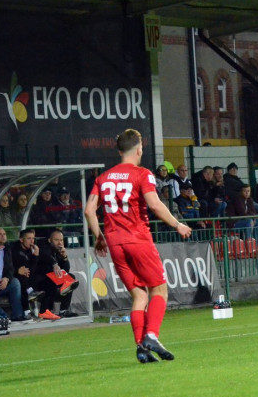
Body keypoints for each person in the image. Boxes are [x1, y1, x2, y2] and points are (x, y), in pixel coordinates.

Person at [84, 129, 192, 364]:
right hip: (137, 239)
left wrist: (99, 236)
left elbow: (89, 210)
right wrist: (177, 224)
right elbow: (154, 205)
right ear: (139, 149)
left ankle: (141, 348)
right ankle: (152, 335)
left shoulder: (103, 178)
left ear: (119, 150)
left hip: (114, 243)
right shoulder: (142, 174)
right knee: (159, 290)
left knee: (139, 295)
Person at [11, 228, 53, 320]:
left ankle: (44, 311)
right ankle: (27, 311)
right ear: (21, 240)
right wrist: (35, 257)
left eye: (33, 238)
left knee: (50, 281)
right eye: (29, 238)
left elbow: (46, 258)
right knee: (22, 278)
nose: (32, 241)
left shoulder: (33, 248)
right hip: (17, 278)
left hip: (31, 278)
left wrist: (55, 264)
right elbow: (29, 270)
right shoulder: (15, 251)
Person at [36, 229, 79, 318]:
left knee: (70, 278)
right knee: (51, 282)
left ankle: (64, 310)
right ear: (49, 240)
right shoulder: (43, 247)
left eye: (61, 240)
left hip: (53, 279)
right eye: (56, 240)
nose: (59, 243)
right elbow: (45, 255)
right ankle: (44, 311)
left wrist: (64, 258)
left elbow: (65, 271)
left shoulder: (58, 251)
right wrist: (54, 264)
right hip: (39, 280)